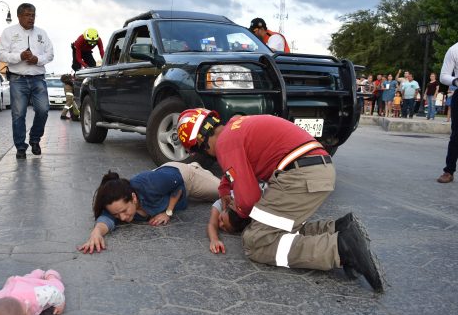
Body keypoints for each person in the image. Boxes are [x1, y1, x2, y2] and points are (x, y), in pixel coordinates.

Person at [177, 108, 384, 291]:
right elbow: (237, 172)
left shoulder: (225, 144)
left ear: (202, 144)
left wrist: (232, 217)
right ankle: (337, 229)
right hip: (315, 168)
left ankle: (340, 248)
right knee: (277, 228)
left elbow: (248, 201)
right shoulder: (236, 127)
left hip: (300, 175)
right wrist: (225, 189)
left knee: (256, 241)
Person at [78, 162, 220, 254]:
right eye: (117, 215)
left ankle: (196, 167)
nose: (122, 218)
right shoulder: (119, 205)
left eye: (124, 211)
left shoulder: (152, 184)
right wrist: (96, 233)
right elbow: (106, 219)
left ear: (133, 198)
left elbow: (178, 184)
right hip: (163, 178)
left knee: (225, 192)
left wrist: (167, 212)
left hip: (185, 177)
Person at [0, 3, 54, 159]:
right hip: (18, 79)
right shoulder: (9, 32)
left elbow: (50, 54)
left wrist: (37, 59)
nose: (31, 18)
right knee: (18, 114)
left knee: (43, 110)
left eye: (33, 15)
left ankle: (35, 139)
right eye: (28, 15)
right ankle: (20, 147)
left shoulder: (42, 33)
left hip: (38, 78)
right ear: (19, 16)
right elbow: (1, 55)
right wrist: (19, 57)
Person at [437, 42, 458, 183]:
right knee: (456, 134)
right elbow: (443, 76)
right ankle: (449, 171)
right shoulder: (454, 49)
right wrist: (456, 80)